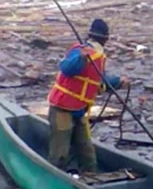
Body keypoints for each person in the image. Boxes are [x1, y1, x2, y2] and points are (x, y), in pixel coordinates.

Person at [47, 19, 128, 173]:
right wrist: (81, 58)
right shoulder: (79, 51)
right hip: (62, 107)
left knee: (86, 149)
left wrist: (118, 82)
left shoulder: (98, 57)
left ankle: (90, 176)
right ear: (104, 39)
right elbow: (67, 68)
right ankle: (55, 176)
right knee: (60, 151)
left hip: (80, 109)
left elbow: (99, 79)